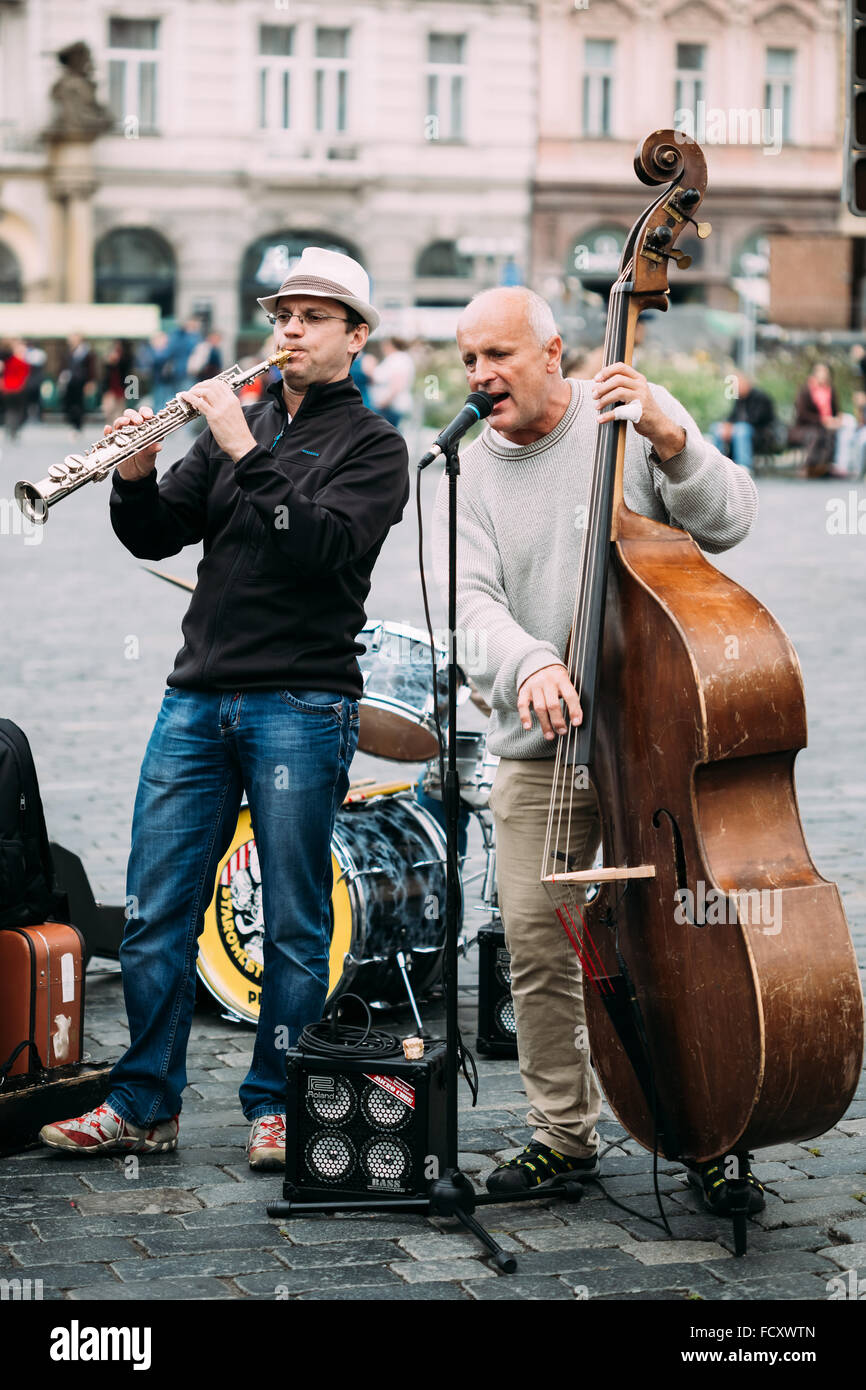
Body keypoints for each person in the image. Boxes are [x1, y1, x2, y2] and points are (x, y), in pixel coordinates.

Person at [39, 248, 410, 1170]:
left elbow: (318, 546)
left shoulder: (375, 446)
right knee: (159, 908)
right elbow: (156, 532)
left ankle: (277, 1104)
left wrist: (244, 452)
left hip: (302, 700)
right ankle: (143, 1104)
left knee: (294, 920)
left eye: (314, 316)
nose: (288, 328)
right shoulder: (235, 423)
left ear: (356, 337)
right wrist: (135, 470)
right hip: (198, 698)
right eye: (282, 313)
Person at [432, 286, 762, 1217]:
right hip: (542, 742)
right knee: (539, 942)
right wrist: (530, 660)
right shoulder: (470, 469)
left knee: (680, 940)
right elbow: (470, 606)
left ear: (553, 351)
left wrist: (673, 437)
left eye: (498, 354)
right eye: (467, 360)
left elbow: (731, 519)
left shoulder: (625, 414)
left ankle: (708, 1131)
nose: (481, 376)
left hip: (659, 738)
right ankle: (560, 1134)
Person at [788, 362, 849, 479]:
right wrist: (823, 420)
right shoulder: (806, 391)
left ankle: (826, 467)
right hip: (805, 427)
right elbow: (802, 414)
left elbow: (836, 411)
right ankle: (810, 467)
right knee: (817, 435)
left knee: (834, 433)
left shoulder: (831, 391)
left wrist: (836, 420)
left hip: (826, 426)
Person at [710, 370, 777, 474]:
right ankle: (718, 465)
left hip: (760, 434)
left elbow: (756, 419)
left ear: (747, 383)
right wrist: (727, 425)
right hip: (738, 431)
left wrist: (733, 427)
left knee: (742, 429)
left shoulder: (761, 397)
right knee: (717, 428)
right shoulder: (739, 399)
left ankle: (743, 467)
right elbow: (732, 416)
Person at [370, 336, 415, 431]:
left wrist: (384, 402)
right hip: (390, 406)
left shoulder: (397, 359)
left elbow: (397, 384)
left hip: (390, 407)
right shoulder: (399, 358)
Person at [60, 333, 96, 432]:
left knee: (79, 404)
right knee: (69, 403)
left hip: (81, 382)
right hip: (70, 382)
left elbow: (91, 369)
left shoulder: (85, 353)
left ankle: (78, 425)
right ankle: (72, 423)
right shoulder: (69, 352)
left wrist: (90, 382)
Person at [0, 340, 30, 440]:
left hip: (10, 389)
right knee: (15, 411)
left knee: (11, 410)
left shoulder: (9, 361)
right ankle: (13, 429)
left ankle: (11, 428)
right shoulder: (19, 362)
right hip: (15, 389)